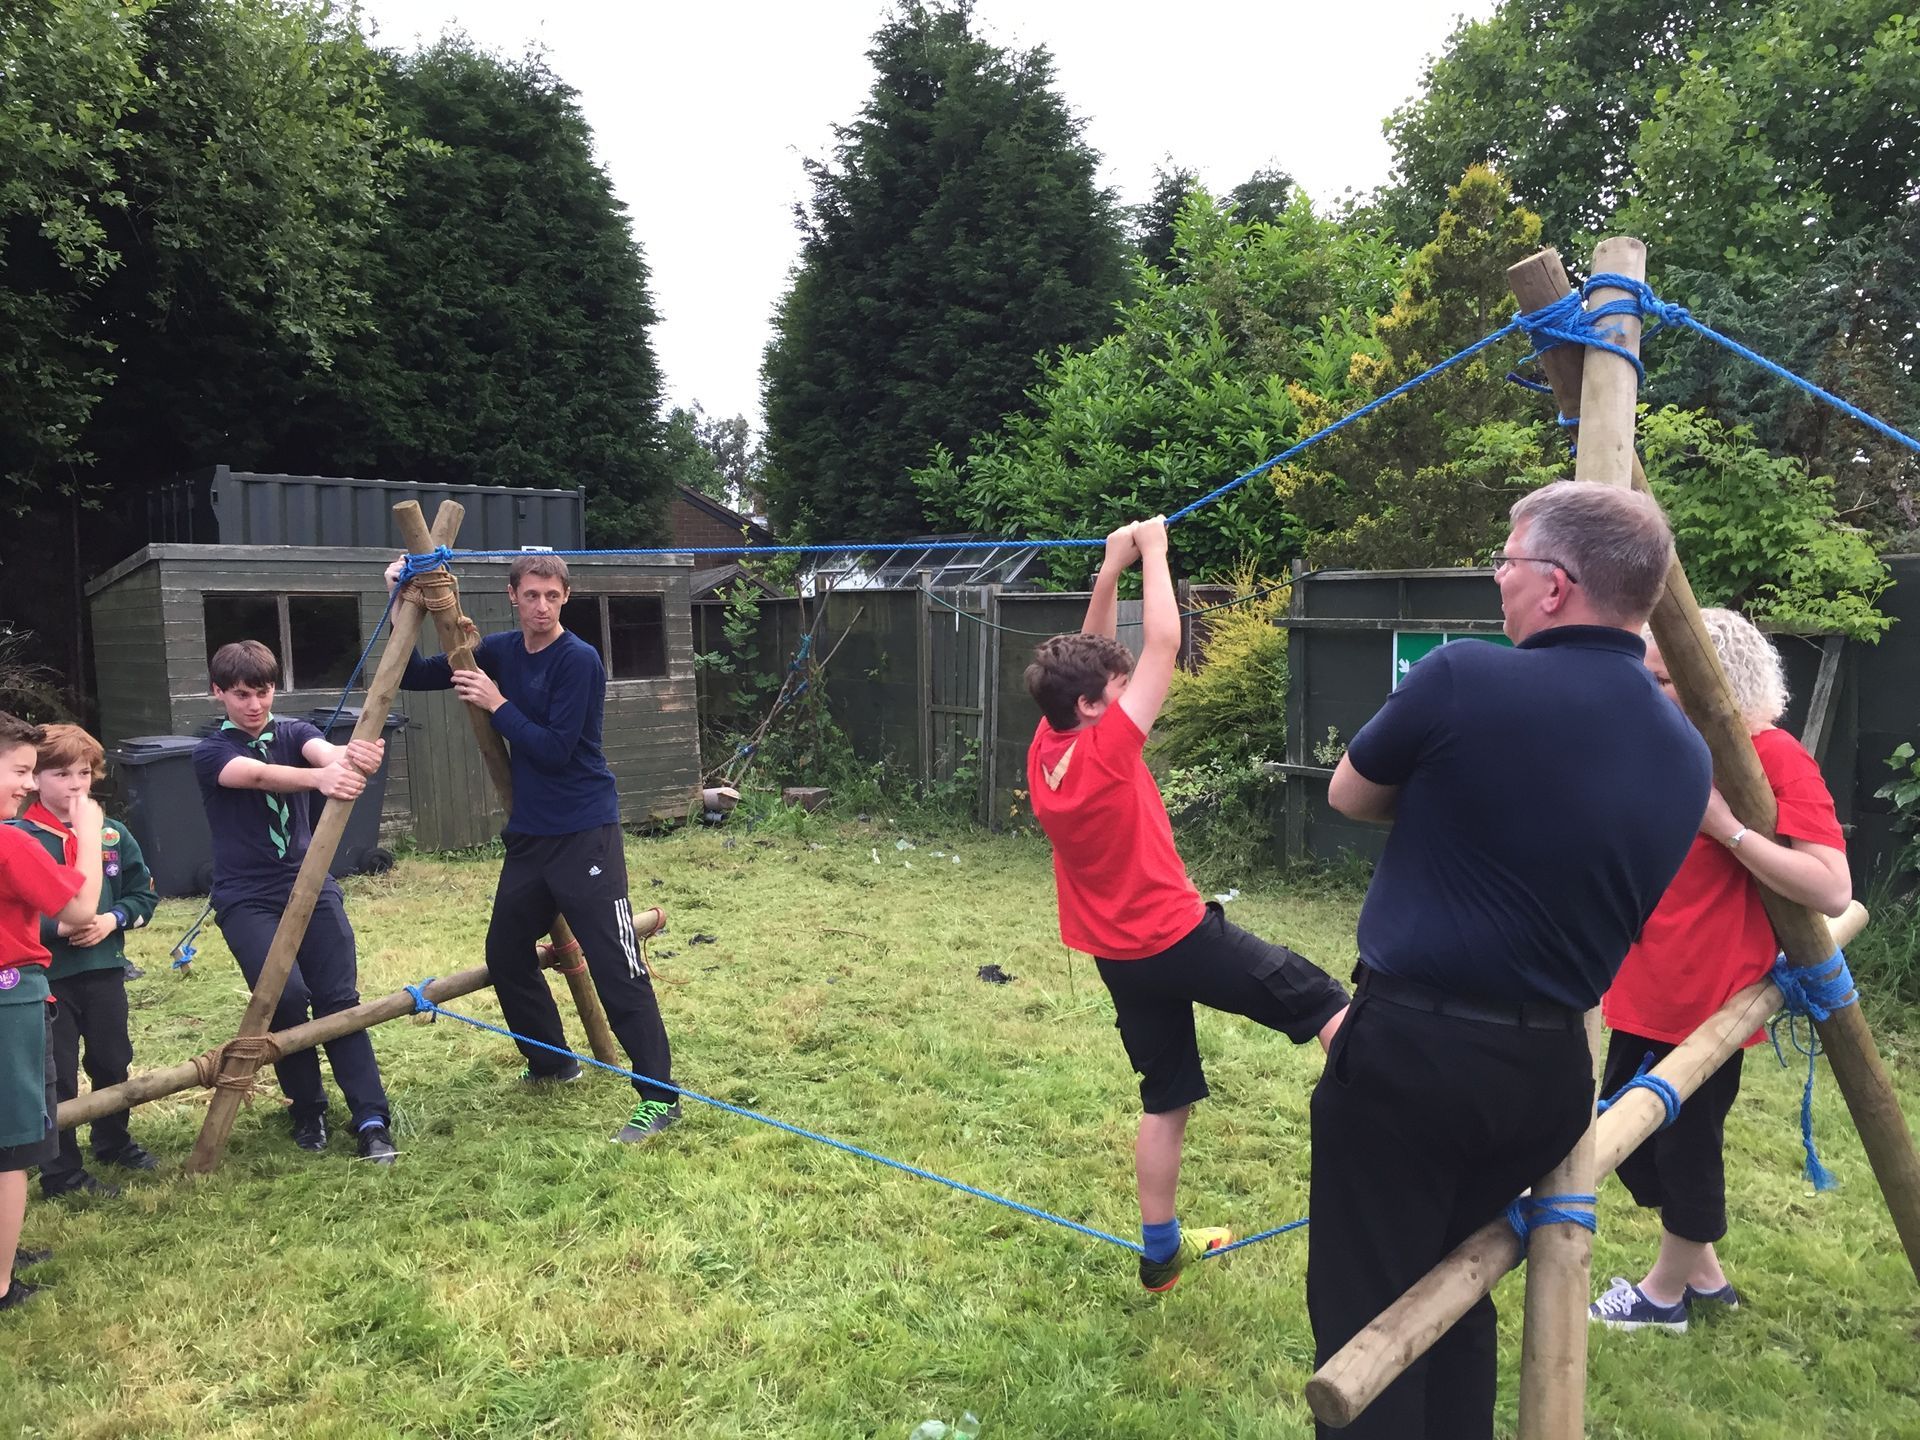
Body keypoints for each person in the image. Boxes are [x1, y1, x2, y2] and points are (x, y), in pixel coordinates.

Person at [1310, 481, 1713, 1439]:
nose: (1497, 575)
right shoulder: (1687, 755)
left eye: (1508, 557)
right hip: (1547, 1078)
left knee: (1368, 1314)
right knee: (1460, 1292)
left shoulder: (1462, 678)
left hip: (1414, 1057)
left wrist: (1457, 804)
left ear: (1557, 586)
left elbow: (1348, 796)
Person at [1024, 518, 1349, 1292]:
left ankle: (1160, 1249)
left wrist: (1110, 568)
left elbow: (1088, 654)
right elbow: (1166, 646)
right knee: (1328, 1002)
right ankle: (1406, 1146)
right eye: (1117, 688)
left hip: (1120, 960)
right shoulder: (1109, 750)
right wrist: (1158, 553)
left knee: (1166, 1097)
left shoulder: (1051, 746)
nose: (1126, 684)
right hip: (1177, 938)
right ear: (1099, 709)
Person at [1589, 608, 1851, 1332]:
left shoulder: (1770, 757)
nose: (1647, 691)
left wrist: (1729, 828)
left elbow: (1831, 887)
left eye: (1663, 679)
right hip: (1644, 988)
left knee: (1682, 1152)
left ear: (1718, 684)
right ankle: (1706, 1280)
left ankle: (1663, 1294)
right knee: (1635, 1148)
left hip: (1707, 999)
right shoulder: (1661, 746)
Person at [387, 552, 680, 1143]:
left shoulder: (579, 661)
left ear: (564, 597)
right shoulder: (499, 650)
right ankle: (551, 1060)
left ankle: (660, 1098)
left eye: (551, 595)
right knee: (505, 951)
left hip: (584, 830)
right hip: (532, 836)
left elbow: (554, 749)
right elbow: (413, 673)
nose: (541, 605)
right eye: (531, 595)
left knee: (615, 962)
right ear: (513, 596)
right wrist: (400, 595)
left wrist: (496, 703)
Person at [193, 641, 397, 1165]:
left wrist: (351, 756)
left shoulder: (296, 733)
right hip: (247, 898)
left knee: (338, 999)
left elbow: (324, 754)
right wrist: (321, 779)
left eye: (262, 692)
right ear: (219, 693)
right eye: (241, 695)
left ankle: (371, 1118)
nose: (254, 704)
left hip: (309, 882)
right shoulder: (210, 750)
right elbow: (257, 775)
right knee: (282, 1000)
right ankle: (307, 1107)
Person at [9, 724, 160, 1199]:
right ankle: (61, 1170)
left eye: (84, 773)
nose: (75, 785)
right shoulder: (21, 835)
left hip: (104, 968)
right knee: (58, 1075)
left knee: (113, 1058)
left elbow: (144, 894)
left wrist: (113, 919)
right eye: (59, 774)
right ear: (36, 778)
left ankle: (113, 1140)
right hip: (49, 978)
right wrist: (62, 927)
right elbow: (20, 913)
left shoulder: (112, 834)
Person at [0, 712, 105, 1311]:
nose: (25, 783)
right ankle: (3, 1286)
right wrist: (89, 828)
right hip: (10, 994)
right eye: (19, 771)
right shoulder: (12, 838)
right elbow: (79, 908)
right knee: (11, 1145)